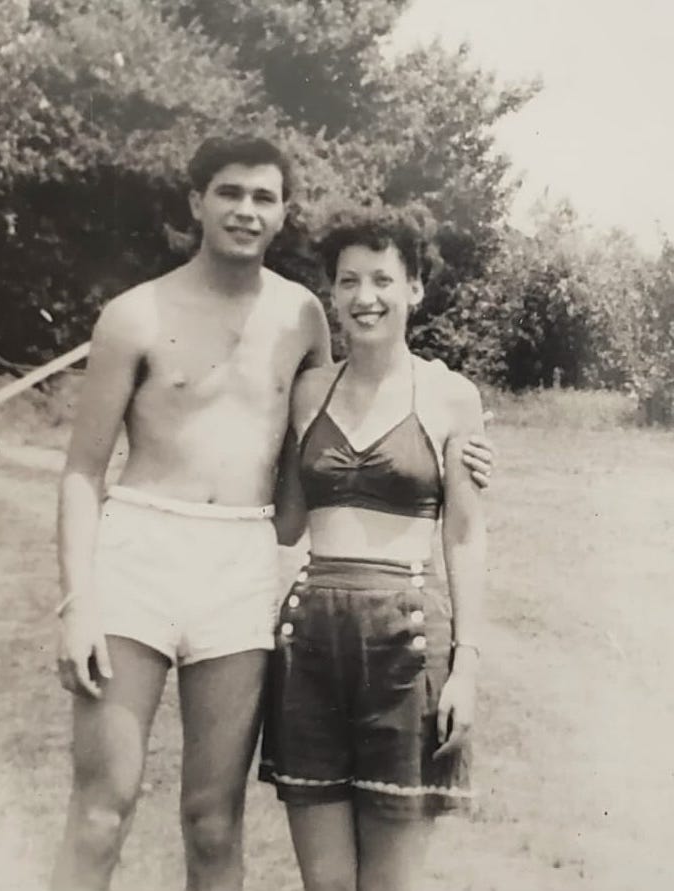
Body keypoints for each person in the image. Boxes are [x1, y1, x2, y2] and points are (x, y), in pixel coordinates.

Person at [51, 136, 493, 891]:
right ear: (197, 202)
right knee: (102, 809)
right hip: (140, 551)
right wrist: (77, 600)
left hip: (240, 561)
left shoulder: (303, 319)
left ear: (284, 211)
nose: (245, 210)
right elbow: (82, 472)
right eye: (229, 193)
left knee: (213, 819)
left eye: (263, 197)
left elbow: (353, 431)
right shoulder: (132, 315)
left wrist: (465, 454)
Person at [259, 215, 486, 891]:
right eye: (349, 280)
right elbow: (284, 522)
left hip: (407, 641)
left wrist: (466, 665)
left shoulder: (452, 395)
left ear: (414, 288)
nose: (366, 296)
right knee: (325, 883)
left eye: (384, 279)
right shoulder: (308, 392)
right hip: (312, 639)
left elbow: (466, 536)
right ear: (330, 292)